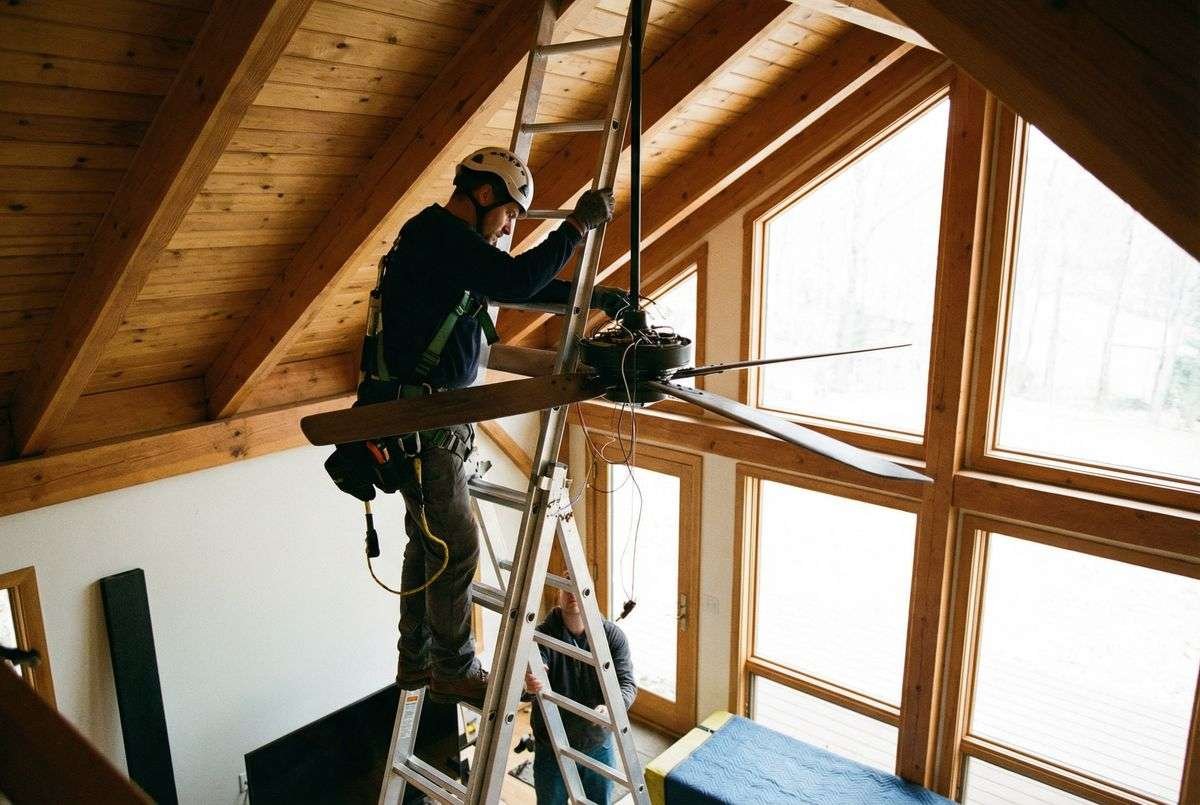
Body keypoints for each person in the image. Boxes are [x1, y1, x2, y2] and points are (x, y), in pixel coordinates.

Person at [374, 146, 629, 708]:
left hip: (434, 420)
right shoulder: (437, 235)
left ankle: (414, 661)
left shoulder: (448, 245)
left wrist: (592, 298)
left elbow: (518, 285)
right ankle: (453, 667)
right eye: (511, 213)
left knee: (429, 544)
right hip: (424, 422)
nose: (510, 225)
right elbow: (513, 281)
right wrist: (576, 229)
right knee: (457, 546)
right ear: (484, 194)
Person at [524, 586, 636, 805]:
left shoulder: (612, 637)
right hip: (551, 745)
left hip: (596, 742)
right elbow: (527, 682)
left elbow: (627, 684)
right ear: (557, 594)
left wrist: (611, 707)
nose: (571, 592)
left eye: (576, 586)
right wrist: (527, 685)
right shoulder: (540, 636)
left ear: (589, 593)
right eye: (565, 586)